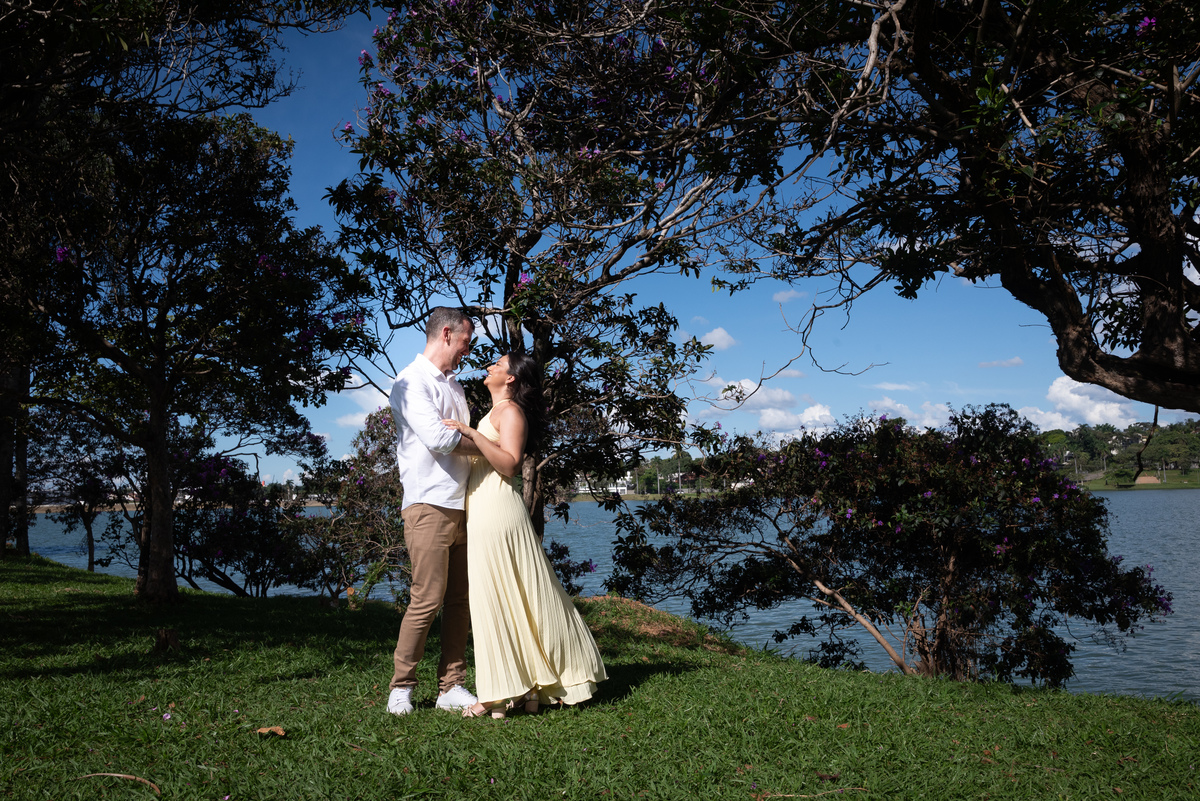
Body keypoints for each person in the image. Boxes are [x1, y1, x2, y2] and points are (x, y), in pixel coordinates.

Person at [443, 352, 607, 718]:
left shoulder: (510, 412)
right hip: (483, 508)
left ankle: (498, 695)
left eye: (497, 365)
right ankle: (524, 688)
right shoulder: (494, 412)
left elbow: (510, 464)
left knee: (502, 597)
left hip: (497, 510)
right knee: (505, 597)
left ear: (511, 378)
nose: (488, 368)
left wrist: (470, 434)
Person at [386, 307, 481, 715]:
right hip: (428, 503)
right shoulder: (410, 382)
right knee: (427, 599)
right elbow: (441, 439)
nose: (468, 348)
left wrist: (470, 437)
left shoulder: (453, 386)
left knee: (460, 600)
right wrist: (496, 447)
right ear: (447, 333)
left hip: (464, 504)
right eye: (466, 341)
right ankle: (401, 688)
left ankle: (450, 686)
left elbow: (457, 435)